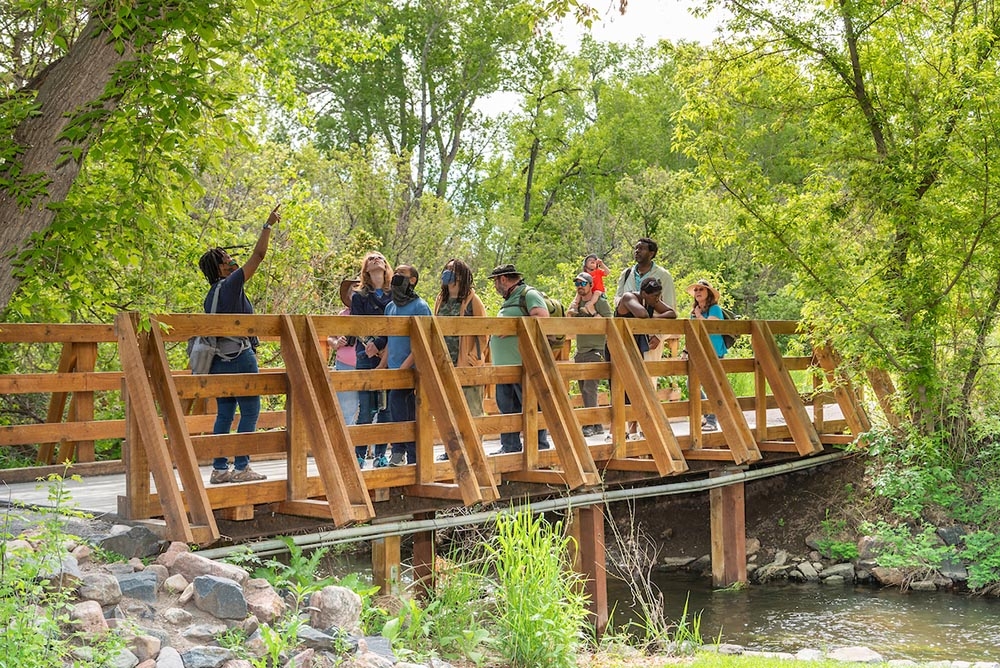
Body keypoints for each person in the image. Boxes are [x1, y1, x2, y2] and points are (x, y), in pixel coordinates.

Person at [198, 203, 281, 484]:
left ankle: (220, 469)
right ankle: (242, 467)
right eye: (227, 257)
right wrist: (267, 226)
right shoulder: (231, 284)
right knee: (250, 412)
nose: (232, 259)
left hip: (218, 360)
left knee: (224, 413)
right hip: (241, 357)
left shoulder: (211, 294)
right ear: (222, 267)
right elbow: (258, 255)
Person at [487, 264, 552, 454]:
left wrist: (512, 328)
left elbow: (543, 320)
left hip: (523, 365)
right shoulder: (509, 300)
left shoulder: (529, 294)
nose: (495, 286)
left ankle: (539, 447)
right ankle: (510, 447)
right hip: (503, 367)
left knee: (531, 406)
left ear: (504, 279)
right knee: (506, 408)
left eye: (495, 282)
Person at [434, 259, 487, 460]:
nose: (448, 273)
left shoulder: (472, 300)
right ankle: (453, 450)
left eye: (452, 270)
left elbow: (484, 332)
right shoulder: (441, 298)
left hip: (466, 363)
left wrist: (475, 357)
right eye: (446, 269)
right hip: (445, 363)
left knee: (472, 408)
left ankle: (474, 450)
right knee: (449, 409)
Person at [613, 276, 676, 439]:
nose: (657, 300)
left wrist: (655, 309)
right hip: (619, 345)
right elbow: (641, 315)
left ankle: (634, 430)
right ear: (643, 292)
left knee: (637, 387)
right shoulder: (629, 297)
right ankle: (616, 431)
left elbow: (672, 313)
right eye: (654, 296)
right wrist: (654, 307)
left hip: (636, 346)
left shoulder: (651, 300)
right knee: (620, 388)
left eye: (658, 296)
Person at [383, 264, 432, 465]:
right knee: (397, 411)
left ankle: (409, 455)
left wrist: (405, 366)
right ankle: (403, 453)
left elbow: (424, 341)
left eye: (402, 274)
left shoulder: (420, 306)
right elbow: (388, 341)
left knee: (407, 411)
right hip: (393, 369)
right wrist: (381, 366)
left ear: (412, 280)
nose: (396, 276)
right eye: (395, 273)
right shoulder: (390, 307)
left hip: (412, 369)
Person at [351, 251, 393, 468]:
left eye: (380, 258)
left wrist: (380, 345)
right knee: (366, 408)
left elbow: (395, 322)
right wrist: (370, 345)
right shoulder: (359, 296)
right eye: (371, 259)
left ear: (386, 267)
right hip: (365, 355)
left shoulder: (394, 295)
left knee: (385, 408)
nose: (376, 260)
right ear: (366, 269)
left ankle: (380, 455)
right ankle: (359, 454)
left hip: (388, 352)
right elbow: (356, 325)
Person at [566, 272, 612, 437]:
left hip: (597, 349)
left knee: (589, 387)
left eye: (583, 284)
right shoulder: (576, 303)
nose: (579, 287)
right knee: (583, 388)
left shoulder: (600, 302)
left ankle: (589, 424)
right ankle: (597, 424)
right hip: (581, 350)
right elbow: (569, 320)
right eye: (577, 284)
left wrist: (592, 312)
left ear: (591, 285)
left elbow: (610, 324)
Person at [687, 279, 726, 432]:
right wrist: (686, 351)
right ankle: (707, 415)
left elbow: (710, 327)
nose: (697, 292)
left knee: (711, 385)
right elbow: (692, 333)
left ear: (708, 293)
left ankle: (712, 420)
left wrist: (698, 315)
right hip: (698, 352)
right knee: (692, 384)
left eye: (701, 290)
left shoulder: (715, 309)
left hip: (714, 351)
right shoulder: (694, 312)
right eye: (696, 290)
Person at [327, 277, 360, 426]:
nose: (355, 291)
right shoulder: (343, 314)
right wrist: (337, 343)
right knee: (346, 408)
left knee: (369, 408)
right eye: (352, 289)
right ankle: (349, 446)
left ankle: (370, 447)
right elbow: (330, 338)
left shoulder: (370, 313)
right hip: (345, 364)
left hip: (366, 362)